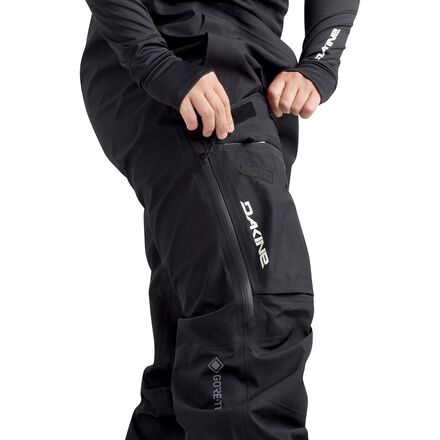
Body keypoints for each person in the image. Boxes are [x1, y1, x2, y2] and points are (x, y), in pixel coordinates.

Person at [80, 1, 359, 439]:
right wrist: (157, 62)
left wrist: (320, 63)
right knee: (254, 318)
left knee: (199, 343)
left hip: (255, 78)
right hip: (169, 51)